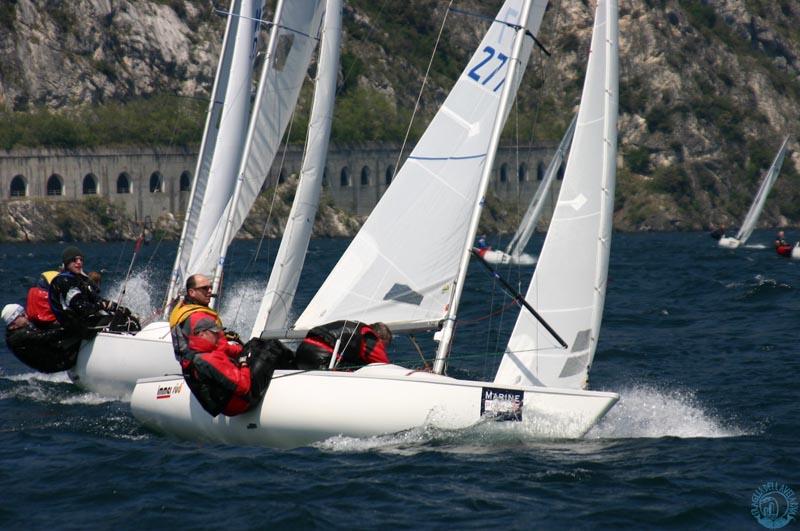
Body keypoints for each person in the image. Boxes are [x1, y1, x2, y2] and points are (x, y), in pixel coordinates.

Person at [169, 273, 289, 417]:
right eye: (204, 288)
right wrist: (244, 361)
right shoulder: (198, 319)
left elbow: (216, 348)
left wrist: (242, 350)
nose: (209, 291)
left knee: (254, 345)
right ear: (191, 292)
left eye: (210, 287)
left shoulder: (182, 312)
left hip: (207, 381)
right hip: (237, 402)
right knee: (271, 347)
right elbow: (242, 385)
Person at [49, 246, 140, 339]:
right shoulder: (64, 280)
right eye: (74, 260)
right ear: (67, 262)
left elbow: (96, 299)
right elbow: (83, 308)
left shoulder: (78, 279)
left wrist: (116, 307)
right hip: (76, 327)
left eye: (81, 259)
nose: (79, 262)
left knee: (125, 317)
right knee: (130, 323)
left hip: (84, 321)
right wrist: (103, 305)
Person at [3, 303, 80, 373]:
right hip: (58, 363)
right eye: (22, 315)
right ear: (13, 322)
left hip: (52, 358)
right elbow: (47, 336)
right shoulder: (20, 337)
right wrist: (72, 327)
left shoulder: (13, 333)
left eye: (24, 312)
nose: (26, 316)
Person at [294, 320, 392, 370]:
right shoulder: (371, 337)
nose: (383, 349)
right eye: (384, 346)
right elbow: (384, 366)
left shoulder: (359, 328)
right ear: (380, 338)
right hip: (321, 358)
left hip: (302, 351)